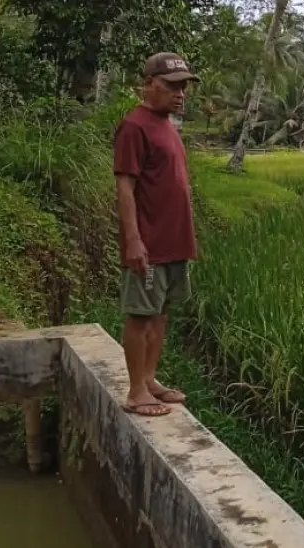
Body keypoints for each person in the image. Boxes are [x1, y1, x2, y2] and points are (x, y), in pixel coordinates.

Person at [113, 52, 199, 417]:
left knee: (161, 311)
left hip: (173, 242)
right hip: (148, 240)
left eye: (184, 87)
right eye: (172, 86)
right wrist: (133, 239)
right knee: (140, 315)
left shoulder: (167, 125)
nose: (180, 94)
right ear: (149, 85)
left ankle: (149, 379)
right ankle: (135, 392)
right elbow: (125, 187)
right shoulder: (135, 126)